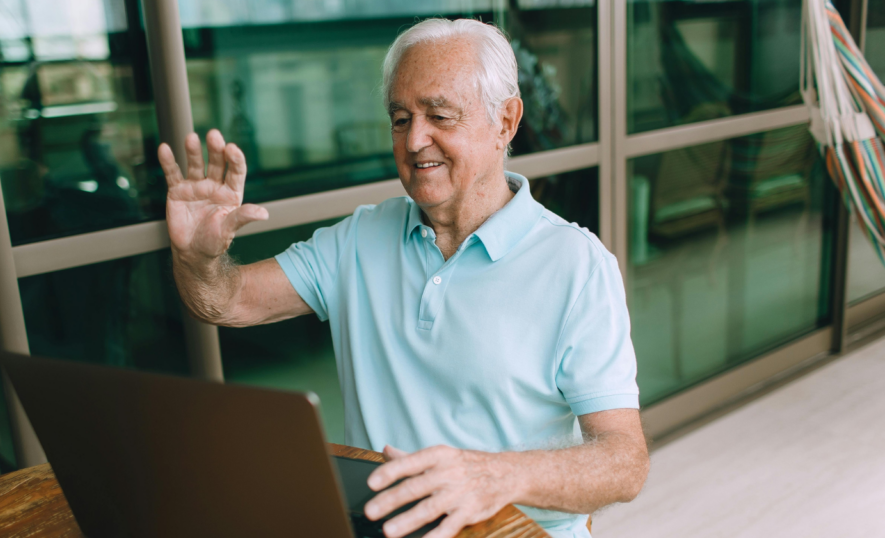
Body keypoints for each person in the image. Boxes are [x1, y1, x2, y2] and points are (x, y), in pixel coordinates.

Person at [158, 18, 648, 538]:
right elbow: (226, 303)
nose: (415, 140)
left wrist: (491, 477)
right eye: (400, 119)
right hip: (380, 528)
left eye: (439, 115)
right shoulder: (358, 238)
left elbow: (623, 462)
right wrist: (199, 260)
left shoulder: (577, 264)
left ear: (505, 121)